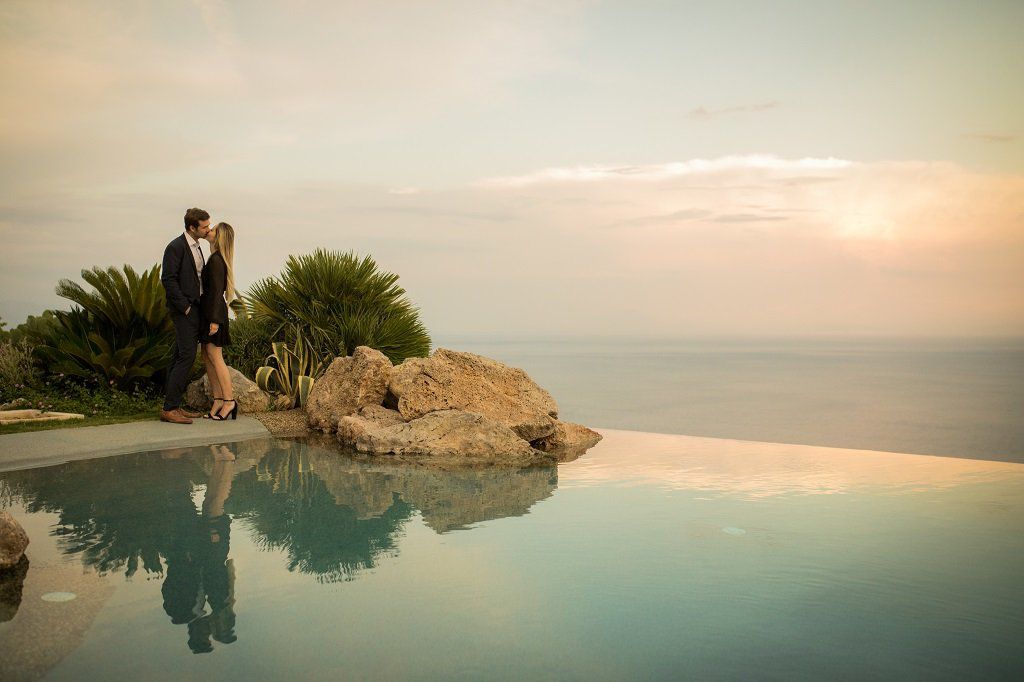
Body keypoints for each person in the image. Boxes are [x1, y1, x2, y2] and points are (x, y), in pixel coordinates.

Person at [160, 208, 211, 424]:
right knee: (187, 356)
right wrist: (185, 307)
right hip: (185, 311)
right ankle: (170, 408)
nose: (208, 229)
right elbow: (168, 279)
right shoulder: (175, 247)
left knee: (179, 355)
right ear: (192, 227)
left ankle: (173, 406)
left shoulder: (198, 246)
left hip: (196, 308)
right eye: (205, 226)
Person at [199, 222, 238, 420]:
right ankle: (218, 399)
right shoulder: (215, 258)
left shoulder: (216, 261)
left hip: (214, 315)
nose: (209, 231)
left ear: (219, 236)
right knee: (207, 356)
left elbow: (215, 293)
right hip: (208, 313)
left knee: (215, 357)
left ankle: (229, 401)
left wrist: (214, 321)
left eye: (212, 230)